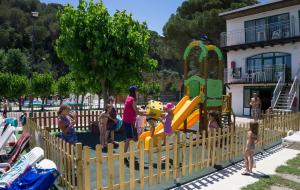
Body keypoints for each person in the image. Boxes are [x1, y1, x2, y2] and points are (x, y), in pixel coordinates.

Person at [122, 86, 147, 164]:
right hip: (128, 121)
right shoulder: (132, 99)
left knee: (131, 139)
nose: (138, 92)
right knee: (129, 138)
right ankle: (124, 156)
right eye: (136, 91)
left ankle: (129, 154)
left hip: (128, 121)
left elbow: (135, 108)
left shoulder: (128, 97)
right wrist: (149, 113)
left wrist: (143, 110)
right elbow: (138, 112)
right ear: (134, 92)